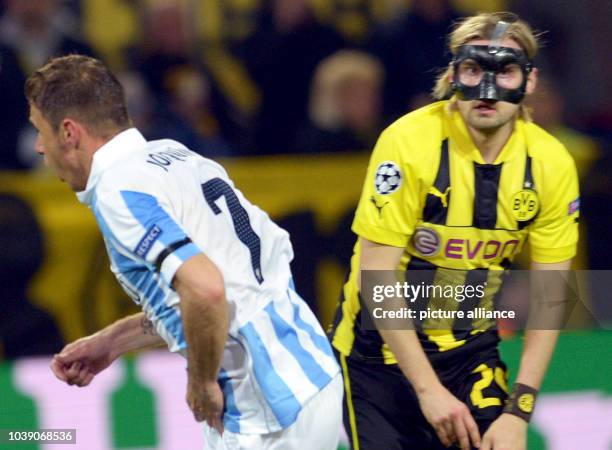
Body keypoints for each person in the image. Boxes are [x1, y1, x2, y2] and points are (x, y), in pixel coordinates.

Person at [25, 54, 342, 449]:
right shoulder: (174, 155)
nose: (39, 146)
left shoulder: (118, 191)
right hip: (312, 375)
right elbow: (227, 286)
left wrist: (202, 381)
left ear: (69, 132)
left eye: (40, 130)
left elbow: (207, 290)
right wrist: (113, 342)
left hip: (263, 410)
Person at [329, 12, 579, 450]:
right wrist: (428, 391)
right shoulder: (408, 142)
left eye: (505, 71)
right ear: (451, 74)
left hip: (470, 351)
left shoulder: (551, 164)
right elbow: (377, 277)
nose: (487, 89)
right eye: (473, 69)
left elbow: (550, 292)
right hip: (376, 359)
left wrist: (518, 411)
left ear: (530, 82)